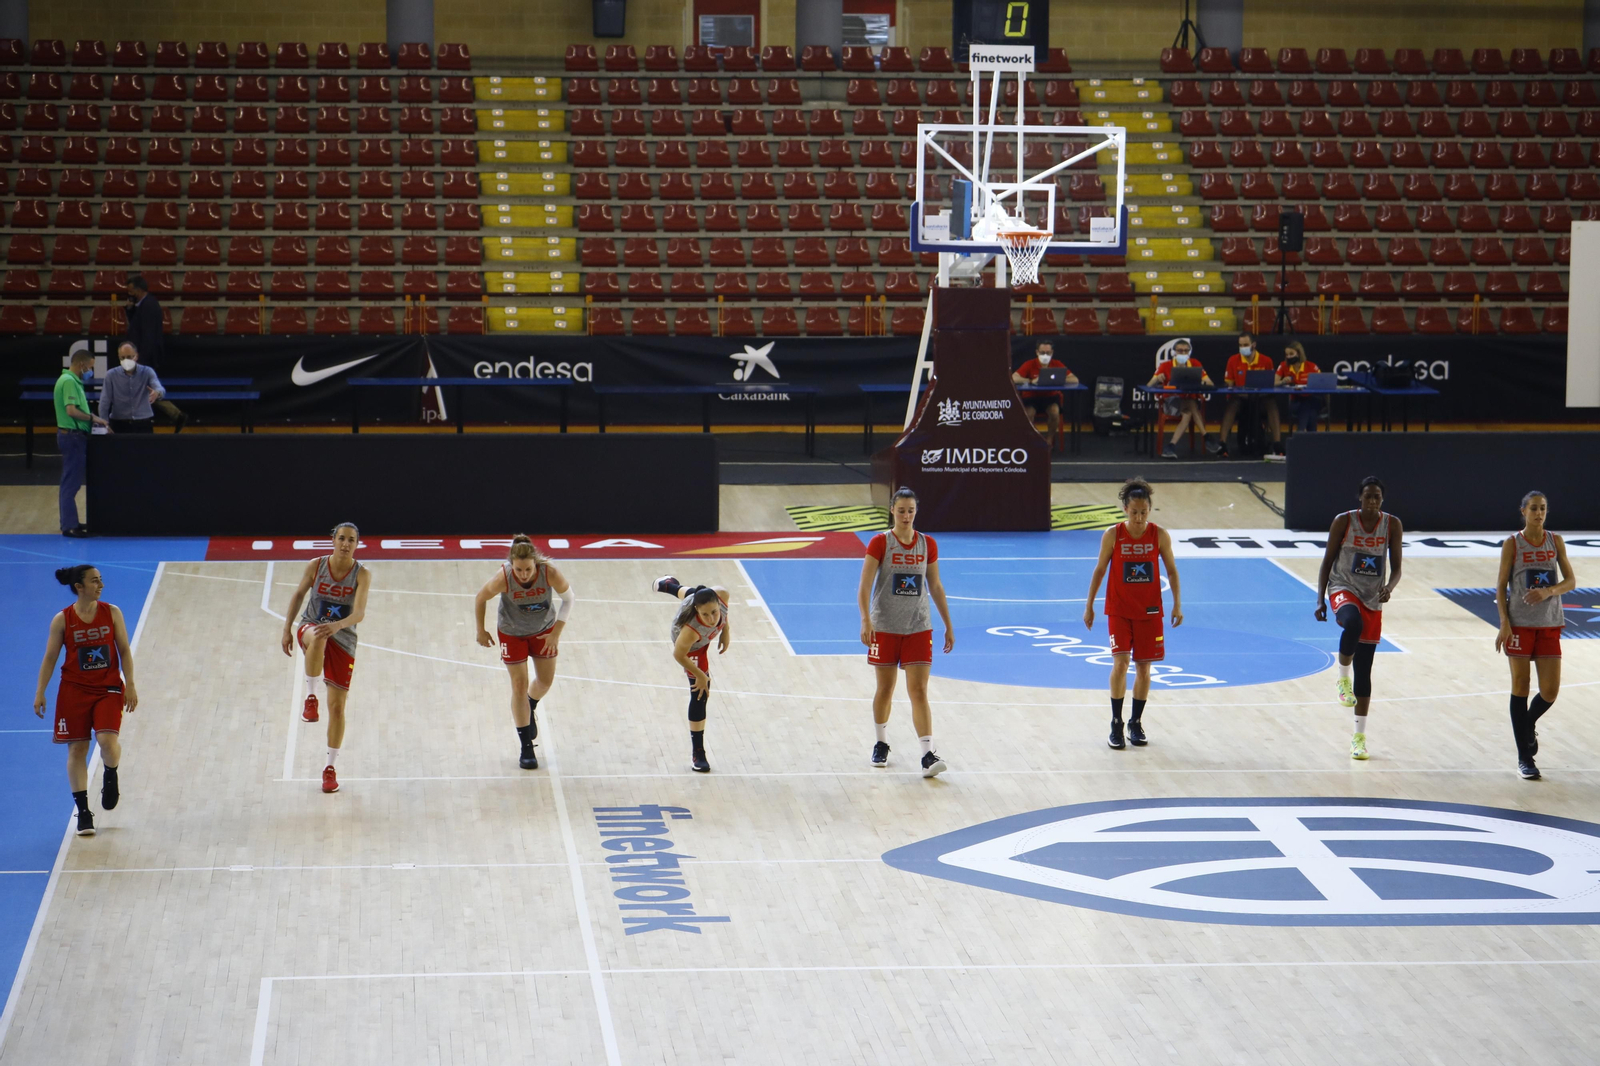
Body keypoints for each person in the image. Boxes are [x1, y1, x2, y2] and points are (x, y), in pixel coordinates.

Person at [32, 564, 138, 836]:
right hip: (74, 690)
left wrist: (131, 685)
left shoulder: (112, 613)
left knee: (106, 741)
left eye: (101, 580)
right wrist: (40, 691)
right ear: (79, 587)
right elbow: (50, 657)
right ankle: (84, 812)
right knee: (77, 750)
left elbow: (124, 650)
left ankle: (110, 773)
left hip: (108, 688)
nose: (100, 585)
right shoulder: (62, 619)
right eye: (94, 581)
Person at [857, 486, 955, 777]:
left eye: (911, 510)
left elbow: (935, 586)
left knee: (919, 690)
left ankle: (927, 754)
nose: (906, 515)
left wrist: (948, 624)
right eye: (901, 510)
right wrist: (866, 620)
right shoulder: (880, 543)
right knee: (885, 689)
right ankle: (881, 742)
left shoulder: (927, 544)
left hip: (917, 625)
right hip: (884, 626)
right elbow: (864, 586)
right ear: (892, 510)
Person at [1083, 479, 1183, 749]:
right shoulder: (1113, 535)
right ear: (1125, 509)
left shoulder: (1159, 535)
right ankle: (1116, 723)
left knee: (1144, 667)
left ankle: (1135, 722)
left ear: (1150, 510)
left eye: (1144, 512)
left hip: (1150, 610)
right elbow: (1100, 570)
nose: (1139, 518)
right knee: (1121, 663)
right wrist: (1089, 604)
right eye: (1134, 512)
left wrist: (1177, 604)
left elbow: (1172, 571)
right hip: (1119, 609)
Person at [1315, 476, 1403, 761]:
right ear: (1360, 498)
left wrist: (1389, 587)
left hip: (1373, 596)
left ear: (1382, 500)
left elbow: (1398, 568)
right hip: (1343, 586)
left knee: (1364, 672)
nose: (1372, 501)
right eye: (1368, 496)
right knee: (1352, 623)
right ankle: (1342, 677)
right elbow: (1327, 560)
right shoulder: (1343, 521)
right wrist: (1319, 599)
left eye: (1377, 497)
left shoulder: (1393, 524)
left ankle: (1359, 738)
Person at [281, 523, 372, 794]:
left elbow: (359, 614)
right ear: (332, 540)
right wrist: (286, 628)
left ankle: (330, 768)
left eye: (351, 540)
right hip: (312, 627)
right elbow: (298, 595)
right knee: (319, 635)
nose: (346, 544)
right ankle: (311, 697)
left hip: (343, 638)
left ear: (357, 544)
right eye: (341, 538)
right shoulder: (316, 565)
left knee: (338, 709)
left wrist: (337, 626)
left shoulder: (362, 574)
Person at [1494, 491, 1576, 780]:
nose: (1538, 513)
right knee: (1521, 686)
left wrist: (1548, 591)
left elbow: (1571, 580)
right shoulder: (1512, 544)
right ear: (1523, 511)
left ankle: (1527, 724)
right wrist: (1504, 623)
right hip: (1519, 624)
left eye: (1542, 509)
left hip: (1550, 622)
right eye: (1533, 508)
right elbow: (1501, 586)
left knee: (1550, 690)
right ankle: (1524, 758)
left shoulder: (1556, 541)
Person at [474, 535, 574, 770]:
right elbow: (480, 597)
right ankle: (526, 747)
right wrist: (481, 630)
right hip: (512, 633)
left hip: (543, 631)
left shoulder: (549, 572)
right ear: (511, 566)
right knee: (519, 684)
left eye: (528, 569)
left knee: (545, 682)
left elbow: (569, 599)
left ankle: (531, 703)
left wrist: (556, 632)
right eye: (518, 570)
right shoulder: (504, 578)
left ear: (535, 563)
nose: (524, 574)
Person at [653, 576, 731, 772]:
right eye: (705, 615)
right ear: (697, 612)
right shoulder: (689, 630)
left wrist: (725, 630)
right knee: (700, 692)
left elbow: (723, 611)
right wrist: (700, 675)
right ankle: (698, 752)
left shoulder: (721, 595)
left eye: (714, 612)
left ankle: (668, 585)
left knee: (696, 593)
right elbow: (678, 654)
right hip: (691, 649)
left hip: (700, 613)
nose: (712, 619)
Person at [53, 347, 112, 538]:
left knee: (71, 481)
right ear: (82, 364)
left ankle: (70, 522)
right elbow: (71, 410)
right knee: (71, 482)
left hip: (72, 435)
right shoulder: (69, 381)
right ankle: (69, 526)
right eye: (90, 367)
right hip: (72, 436)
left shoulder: (70, 380)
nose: (90, 371)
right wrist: (93, 418)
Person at [124, 275, 185, 431]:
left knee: (144, 388)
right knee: (144, 389)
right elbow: (137, 327)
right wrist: (130, 310)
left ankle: (172, 415)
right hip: (143, 355)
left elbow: (148, 336)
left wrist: (141, 360)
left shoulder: (149, 305)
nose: (129, 293)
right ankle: (175, 415)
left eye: (131, 290)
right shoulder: (142, 305)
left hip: (146, 356)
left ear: (138, 290)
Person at [1208, 332, 1280, 458]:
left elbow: (1269, 384)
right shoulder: (1233, 360)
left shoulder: (1266, 361)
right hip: (1241, 397)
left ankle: (1277, 444)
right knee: (1232, 403)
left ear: (1254, 344)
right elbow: (1229, 384)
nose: (1243, 347)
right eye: (1240, 345)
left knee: (1271, 402)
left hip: (1260, 398)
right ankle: (1223, 443)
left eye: (1245, 344)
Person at [1146, 337, 1213, 460]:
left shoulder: (1195, 364)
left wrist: (1203, 383)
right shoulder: (1165, 366)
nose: (1183, 353)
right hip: (1170, 402)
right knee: (1191, 403)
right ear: (1174, 352)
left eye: (1185, 351)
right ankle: (1206, 436)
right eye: (1180, 351)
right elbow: (1149, 385)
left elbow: (1210, 383)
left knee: (1187, 413)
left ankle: (1170, 446)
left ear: (1189, 352)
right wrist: (1157, 378)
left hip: (1187, 404)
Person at [1011, 340, 1078, 449]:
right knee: (1028, 414)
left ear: (1052, 352)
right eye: (1042, 353)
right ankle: (1031, 439)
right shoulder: (1029, 364)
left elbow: (1075, 380)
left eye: (1048, 353)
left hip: (1050, 398)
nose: (1045, 355)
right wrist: (1031, 380)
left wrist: (1060, 379)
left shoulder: (1057, 364)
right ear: (1037, 352)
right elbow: (1014, 377)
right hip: (1031, 397)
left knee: (1055, 412)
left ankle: (1049, 439)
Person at [99, 342, 166, 434]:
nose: (126, 360)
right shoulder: (111, 375)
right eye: (122, 357)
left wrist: (157, 392)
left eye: (130, 357)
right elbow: (104, 401)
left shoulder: (147, 371)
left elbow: (159, 387)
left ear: (136, 356)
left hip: (143, 422)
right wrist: (104, 424)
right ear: (118, 357)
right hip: (119, 423)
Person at [1276, 341, 1322, 434]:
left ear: (1299, 353)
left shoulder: (1311, 366)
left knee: (1308, 404)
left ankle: (1300, 432)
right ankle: (1309, 437)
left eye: (1291, 354)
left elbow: (1322, 382)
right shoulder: (1283, 366)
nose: (1288, 357)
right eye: (1287, 354)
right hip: (1295, 401)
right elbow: (1274, 382)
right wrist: (1282, 381)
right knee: (1310, 411)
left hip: (1312, 398)